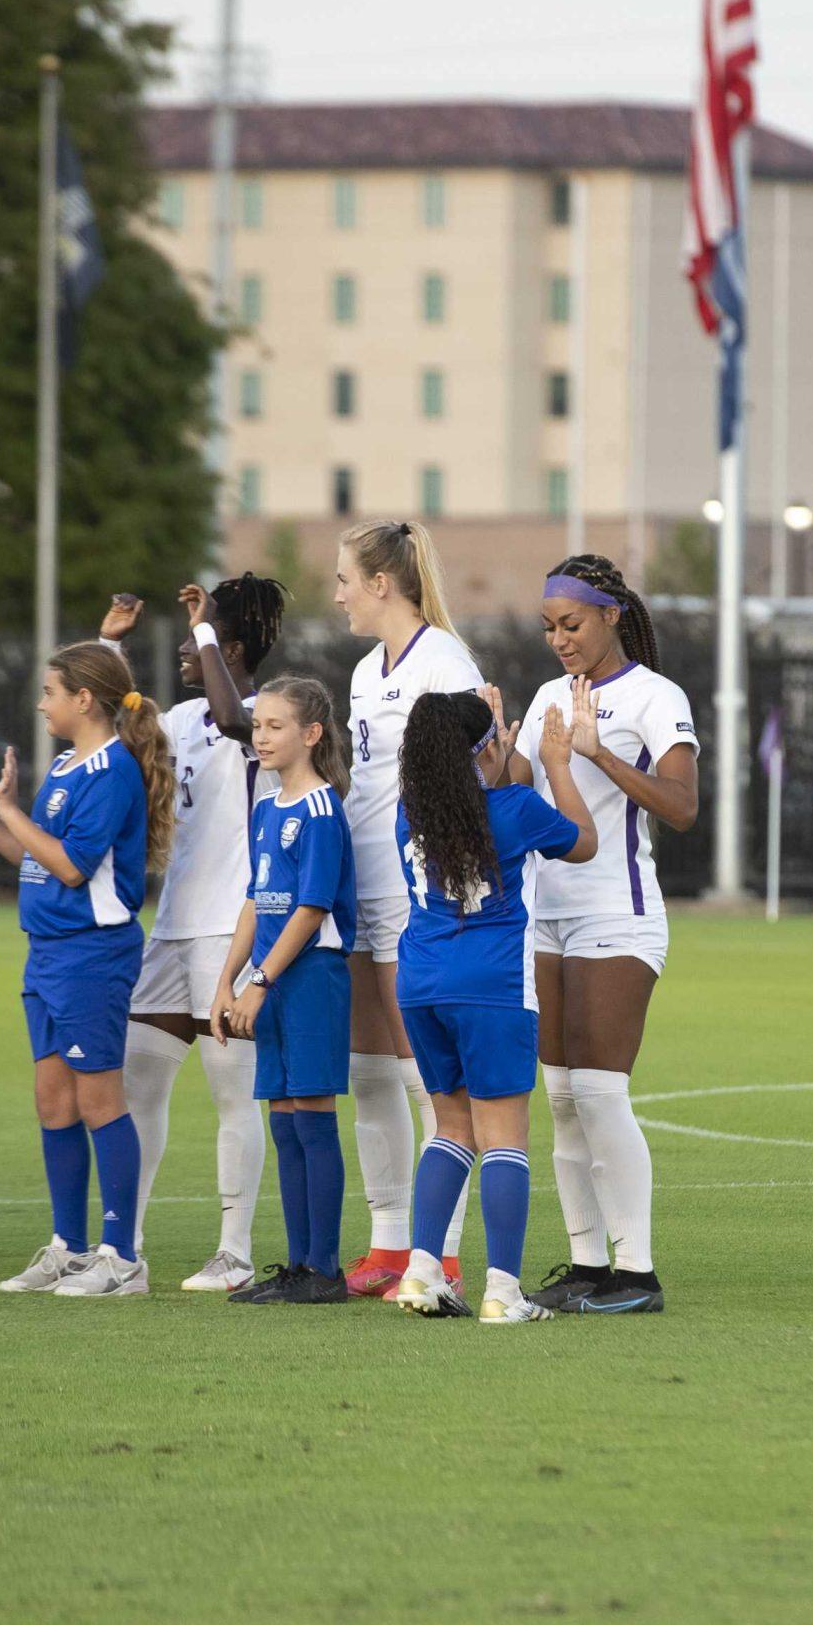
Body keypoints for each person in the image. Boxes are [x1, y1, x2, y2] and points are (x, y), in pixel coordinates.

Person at [508, 555, 699, 1315]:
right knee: (559, 1095)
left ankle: (637, 1273)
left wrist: (598, 753)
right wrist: (491, 743)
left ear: (611, 616)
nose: (560, 640)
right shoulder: (549, 694)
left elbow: (682, 806)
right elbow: (512, 788)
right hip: (544, 915)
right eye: (550, 627)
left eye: (573, 624)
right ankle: (588, 1265)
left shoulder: (655, 695)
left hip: (617, 913)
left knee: (598, 1087)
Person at [0, 642, 173, 1299]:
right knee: (53, 1100)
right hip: (47, 950)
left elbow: (72, 865)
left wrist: (10, 812)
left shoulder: (112, 771)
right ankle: (68, 1247)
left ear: (83, 699)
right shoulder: (62, 764)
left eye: (50, 691)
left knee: (96, 1099)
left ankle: (122, 1257)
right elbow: (33, 858)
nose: (41, 703)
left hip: (93, 952)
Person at [103, 575, 287, 1294]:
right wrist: (108, 646)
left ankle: (234, 1252)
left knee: (232, 1095)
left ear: (229, 643)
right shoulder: (181, 718)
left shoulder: (263, 716)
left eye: (200, 634)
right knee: (133, 1080)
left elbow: (232, 714)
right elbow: (113, 727)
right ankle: (127, 1246)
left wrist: (206, 627)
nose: (184, 644)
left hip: (230, 930)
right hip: (174, 925)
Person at [389, 688, 597, 1325]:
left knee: (451, 1128)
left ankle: (423, 1273)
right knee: (505, 1137)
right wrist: (555, 762)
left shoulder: (408, 811)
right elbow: (583, 842)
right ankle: (503, 1292)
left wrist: (486, 742)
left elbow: (465, 793)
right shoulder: (514, 809)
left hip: (420, 980)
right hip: (494, 982)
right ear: (483, 750)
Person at [334, 519, 480, 1297]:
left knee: (426, 1075)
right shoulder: (366, 671)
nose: (339, 595)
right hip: (362, 880)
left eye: (345, 579)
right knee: (368, 1070)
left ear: (382, 583)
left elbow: (464, 781)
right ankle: (388, 1241)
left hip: (414, 887)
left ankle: (441, 1253)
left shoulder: (445, 662)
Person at [213, 676, 357, 1308]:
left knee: (313, 1115)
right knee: (285, 1121)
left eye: (274, 726)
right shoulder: (267, 807)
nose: (261, 736)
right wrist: (226, 981)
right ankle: (298, 1265)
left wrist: (260, 983)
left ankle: (323, 1268)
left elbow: (310, 907)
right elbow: (256, 897)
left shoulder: (323, 810)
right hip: (267, 983)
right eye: (258, 725)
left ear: (311, 734)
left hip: (309, 979)